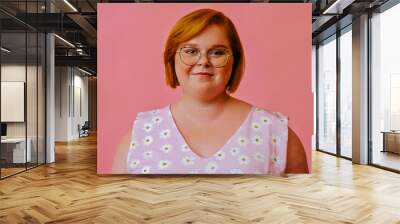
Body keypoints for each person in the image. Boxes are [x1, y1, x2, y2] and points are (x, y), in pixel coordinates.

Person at [112, 8, 308, 175]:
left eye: (217, 52)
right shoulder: (140, 133)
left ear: (235, 61)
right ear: (171, 60)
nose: (203, 61)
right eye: (190, 51)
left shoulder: (275, 132)